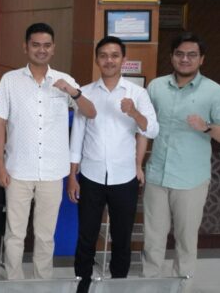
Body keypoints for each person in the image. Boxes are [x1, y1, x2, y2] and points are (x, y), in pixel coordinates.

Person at [0, 22, 96, 280]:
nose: (41, 50)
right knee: (15, 234)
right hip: (17, 170)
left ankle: (43, 284)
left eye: (47, 45)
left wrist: (73, 92)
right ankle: (13, 284)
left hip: (52, 171)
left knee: (45, 235)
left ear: (53, 48)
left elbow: (91, 112)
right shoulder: (10, 80)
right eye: (36, 45)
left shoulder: (64, 80)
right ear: (25, 47)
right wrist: (0, 166)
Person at [67, 36, 158, 293]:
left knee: (121, 238)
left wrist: (134, 112)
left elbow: (152, 129)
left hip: (124, 177)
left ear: (123, 60)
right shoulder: (86, 92)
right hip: (91, 176)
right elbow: (77, 137)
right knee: (86, 237)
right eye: (104, 55)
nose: (109, 60)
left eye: (115, 55)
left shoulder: (137, 93)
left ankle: (118, 286)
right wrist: (72, 176)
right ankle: (82, 286)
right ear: (97, 59)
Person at [142, 32, 220, 284]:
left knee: (186, 241)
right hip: (157, 175)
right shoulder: (156, 87)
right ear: (172, 57)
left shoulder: (214, 91)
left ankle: (183, 287)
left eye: (191, 55)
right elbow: (144, 127)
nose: (185, 59)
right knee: (152, 240)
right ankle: (150, 286)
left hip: (191, 179)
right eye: (180, 54)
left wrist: (206, 127)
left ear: (201, 59)